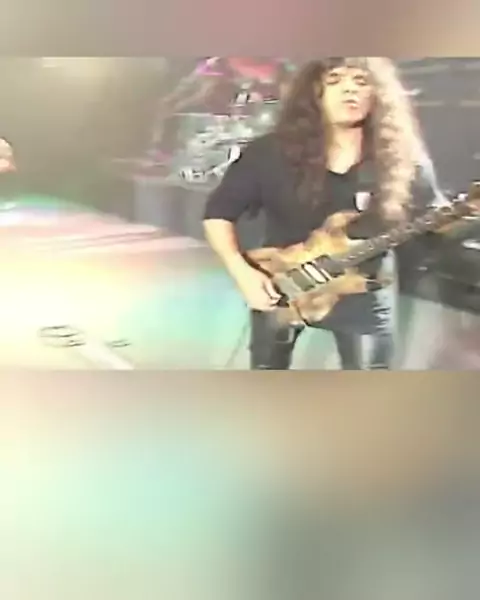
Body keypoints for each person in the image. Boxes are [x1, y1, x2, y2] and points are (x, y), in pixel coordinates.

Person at [203, 58, 446, 370]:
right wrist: (243, 273)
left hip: (362, 293)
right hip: (283, 282)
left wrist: (463, 217)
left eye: (361, 81)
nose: (349, 89)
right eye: (335, 80)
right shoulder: (270, 152)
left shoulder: (402, 160)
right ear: (314, 91)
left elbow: (436, 218)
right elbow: (218, 212)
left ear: (378, 94)